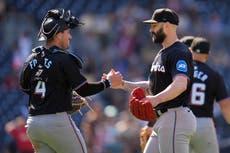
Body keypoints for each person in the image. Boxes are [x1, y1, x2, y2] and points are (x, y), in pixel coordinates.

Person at [19, 8, 122, 153]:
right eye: (68, 32)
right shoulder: (64, 59)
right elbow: (84, 89)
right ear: (58, 34)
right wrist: (108, 82)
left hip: (33, 124)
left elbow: (25, 87)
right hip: (56, 123)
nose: (70, 37)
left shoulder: (31, 59)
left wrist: (54, 95)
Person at [110, 8, 197, 153]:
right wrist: (123, 84)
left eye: (154, 25)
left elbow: (181, 84)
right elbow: (152, 87)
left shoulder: (179, 51)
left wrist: (156, 99)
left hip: (175, 117)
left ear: (167, 26)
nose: (151, 30)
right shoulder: (162, 53)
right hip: (163, 119)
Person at [185, 37, 230, 153]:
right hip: (203, 123)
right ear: (208, 55)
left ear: (190, 51)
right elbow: (225, 105)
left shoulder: (180, 72)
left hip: (182, 122)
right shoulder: (214, 75)